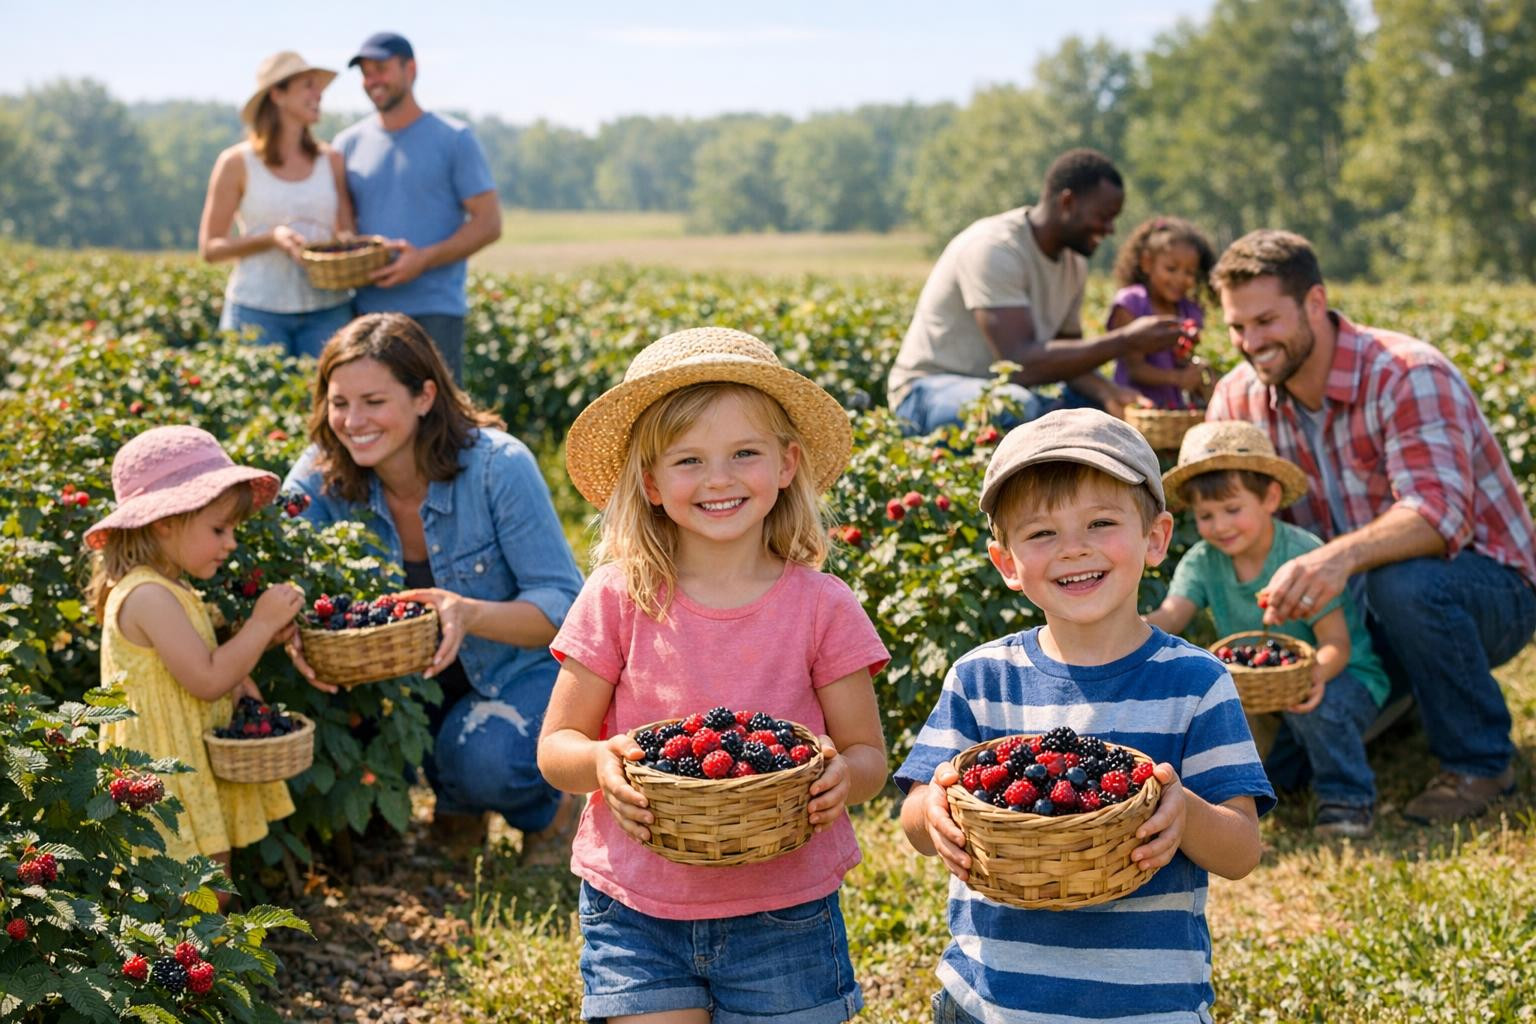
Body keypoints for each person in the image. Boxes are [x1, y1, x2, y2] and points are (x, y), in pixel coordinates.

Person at [537, 327, 890, 1023]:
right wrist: (601, 761)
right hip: (635, 908)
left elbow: (868, 756)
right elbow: (558, 749)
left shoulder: (823, 605)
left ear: (788, 464)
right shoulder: (618, 597)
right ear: (651, 482)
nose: (719, 479)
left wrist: (842, 776)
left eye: (744, 454)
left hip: (783, 909)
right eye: (689, 460)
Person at [896, 409, 1273, 1024]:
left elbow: (1241, 850)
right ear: (1007, 562)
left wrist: (1183, 815)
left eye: (1101, 522)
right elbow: (916, 815)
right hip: (990, 1000)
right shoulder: (981, 679)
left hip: (1143, 1007)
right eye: (1041, 533)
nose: (1074, 548)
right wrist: (933, 813)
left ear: (1156, 539)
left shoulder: (1196, 684)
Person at [1207, 229, 1536, 824]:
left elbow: (1438, 516)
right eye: (1236, 327)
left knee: (1403, 584)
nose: (1250, 343)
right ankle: (1404, 691)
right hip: (1349, 611)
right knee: (1292, 771)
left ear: (1315, 302)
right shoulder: (1238, 401)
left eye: (1265, 320)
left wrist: (1336, 558)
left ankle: (1480, 764)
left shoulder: (1406, 373)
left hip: (1488, 589)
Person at [281, 313, 584, 863]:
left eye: (374, 401)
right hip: (402, 688)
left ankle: (552, 806)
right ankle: (456, 800)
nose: (353, 421)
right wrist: (288, 624)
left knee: (485, 761)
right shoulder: (322, 477)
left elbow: (564, 607)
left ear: (424, 396)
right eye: (339, 402)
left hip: (515, 672)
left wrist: (467, 613)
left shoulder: (497, 467)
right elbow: (281, 560)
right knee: (372, 791)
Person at [86, 425, 320, 894]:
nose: (230, 543)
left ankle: (207, 961)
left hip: (187, 758)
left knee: (210, 878)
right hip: (161, 774)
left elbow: (206, 663)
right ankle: (197, 960)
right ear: (164, 521)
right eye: (219, 529)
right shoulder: (148, 595)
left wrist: (260, 644)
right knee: (191, 887)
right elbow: (206, 678)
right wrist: (258, 623)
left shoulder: (171, 587)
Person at [1146, 420, 1391, 837]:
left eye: (1232, 509)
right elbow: (1171, 614)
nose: (1220, 525)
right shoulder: (1204, 562)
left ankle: (1347, 800)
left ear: (1270, 498)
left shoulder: (1301, 556)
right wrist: (1119, 628)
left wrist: (1311, 677)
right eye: (1206, 515)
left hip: (1338, 676)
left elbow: (1337, 644)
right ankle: (1273, 779)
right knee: (1274, 770)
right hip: (1262, 688)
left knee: (1322, 710)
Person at [886, 148, 1186, 435]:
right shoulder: (995, 249)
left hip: (1003, 392)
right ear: (1067, 202)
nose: (1110, 229)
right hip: (925, 392)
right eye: (1103, 216)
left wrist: (1109, 394)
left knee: (1096, 417)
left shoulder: (1074, 263)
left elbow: (1070, 359)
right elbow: (1020, 364)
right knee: (1017, 407)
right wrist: (1126, 340)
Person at [333, 32, 502, 383]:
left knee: (438, 423)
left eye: (381, 69)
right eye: (365, 73)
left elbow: (488, 223)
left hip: (434, 310)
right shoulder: (347, 144)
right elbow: (345, 226)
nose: (372, 81)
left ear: (411, 69)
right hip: (366, 310)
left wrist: (422, 259)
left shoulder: (454, 138)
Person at [199, 51, 356, 359]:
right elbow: (210, 248)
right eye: (308, 86)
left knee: (326, 406)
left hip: (328, 310)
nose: (318, 94)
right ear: (277, 94)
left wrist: (344, 250)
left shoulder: (331, 161)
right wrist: (272, 239)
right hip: (256, 312)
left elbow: (347, 233)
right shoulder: (236, 163)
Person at [1107, 215, 1217, 409]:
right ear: (1147, 263)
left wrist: (1196, 377)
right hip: (1137, 408)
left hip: (1172, 410)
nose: (1180, 279)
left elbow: (1184, 359)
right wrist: (1178, 378)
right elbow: (1134, 368)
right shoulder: (1132, 303)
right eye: (1171, 269)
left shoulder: (1188, 310)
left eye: (1189, 273)